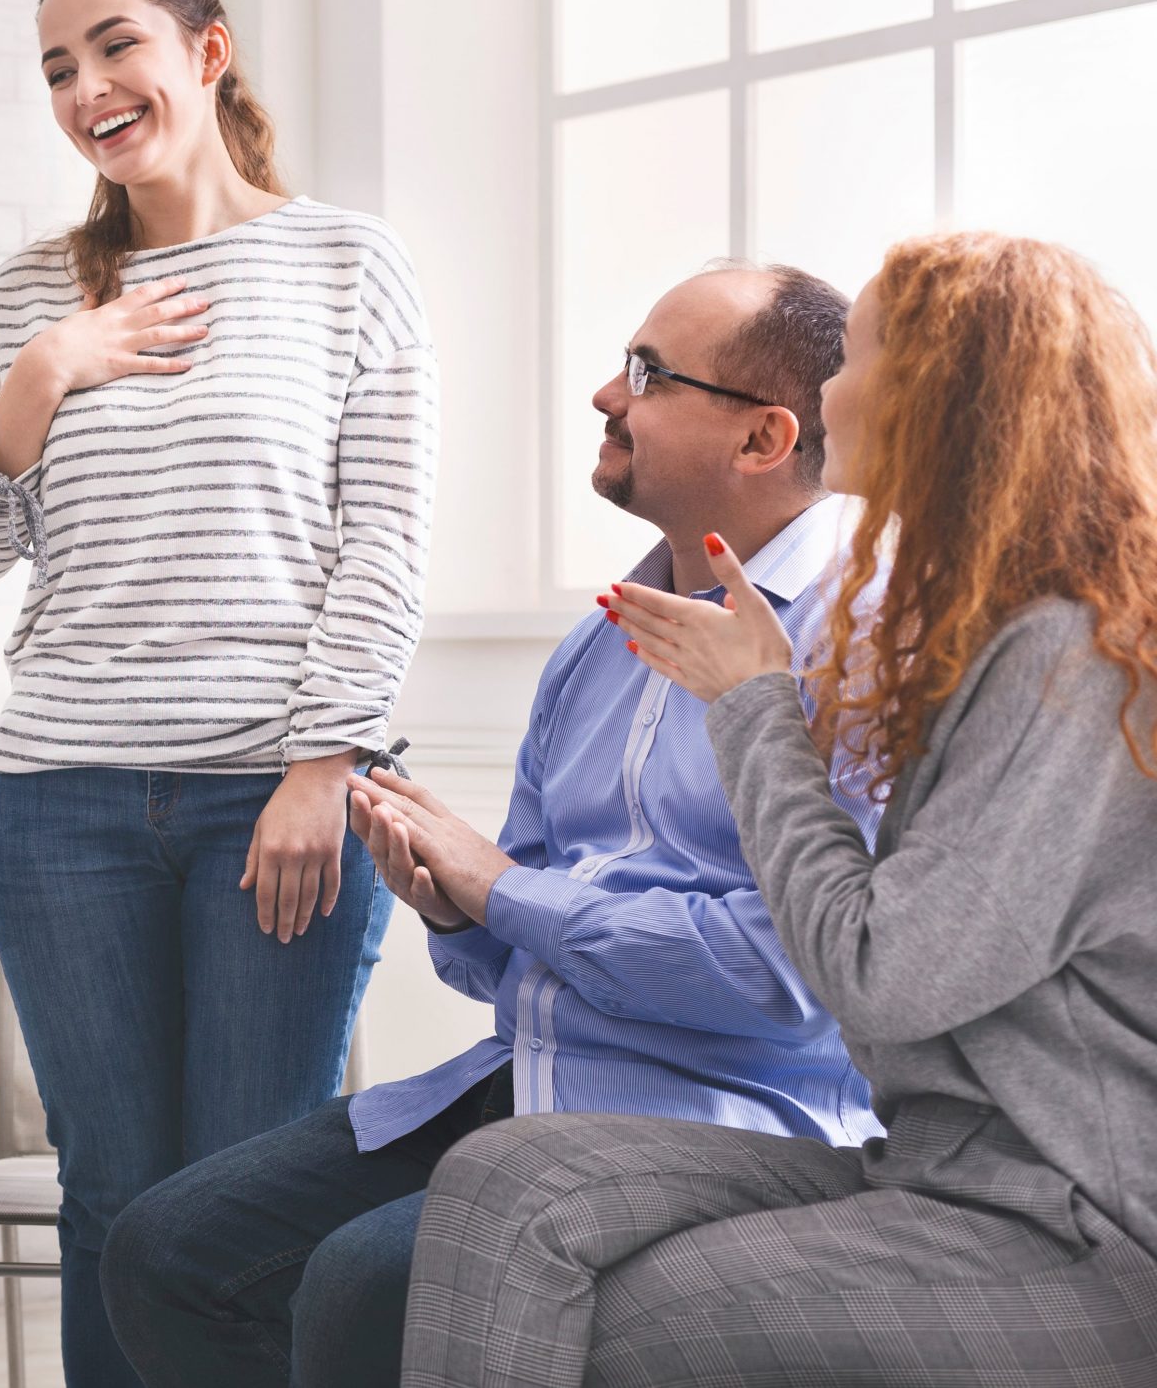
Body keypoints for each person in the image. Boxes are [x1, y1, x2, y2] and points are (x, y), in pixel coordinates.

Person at [103, 263, 884, 1387]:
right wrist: (453, 899)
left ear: (762, 440)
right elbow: (511, 945)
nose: (605, 398)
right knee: (167, 1250)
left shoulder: (860, 644)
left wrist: (501, 887)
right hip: (529, 1069)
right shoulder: (596, 646)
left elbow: (789, 979)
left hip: (732, 1111)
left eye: (645, 375)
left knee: (369, 1283)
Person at [403, 233, 1157, 1385]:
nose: (825, 398)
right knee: (504, 1181)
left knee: (627, 1321)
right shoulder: (988, 634)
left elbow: (876, 981)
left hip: (1074, 1218)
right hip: (935, 1163)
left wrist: (753, 706)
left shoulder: (1074, 660)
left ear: (947, 400)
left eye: (852, 362)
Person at [0, 0, 437, 1388]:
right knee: (112, 1197)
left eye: (115, 46)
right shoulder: (34, 297)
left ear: (205, 52)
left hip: (271, 796)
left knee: (241, 1203)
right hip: (61, 805)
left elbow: (384, 543)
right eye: (58, 69)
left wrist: (320, 764)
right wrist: (39, 382)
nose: (88, 88)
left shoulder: (346, 264)